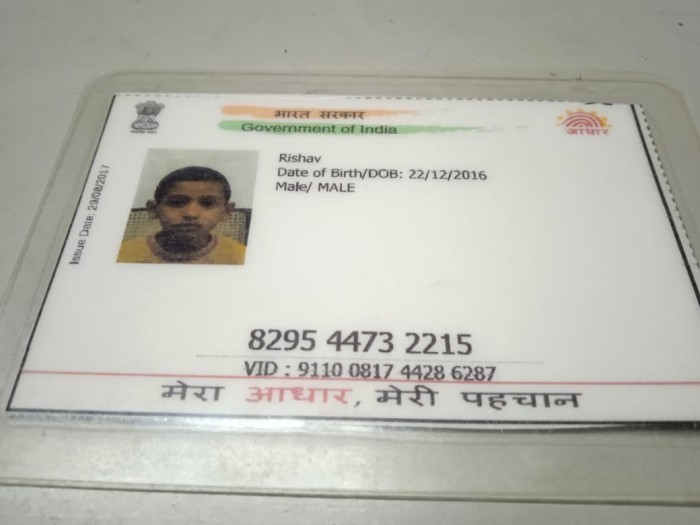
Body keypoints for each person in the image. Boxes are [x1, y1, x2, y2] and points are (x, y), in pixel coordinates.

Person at [117, 166, 246, 264]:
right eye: (176, 203)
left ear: (226, 212)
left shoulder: (240, 257)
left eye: (207, 203)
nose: (191, 214)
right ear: (153, 209)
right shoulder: (124, 254)